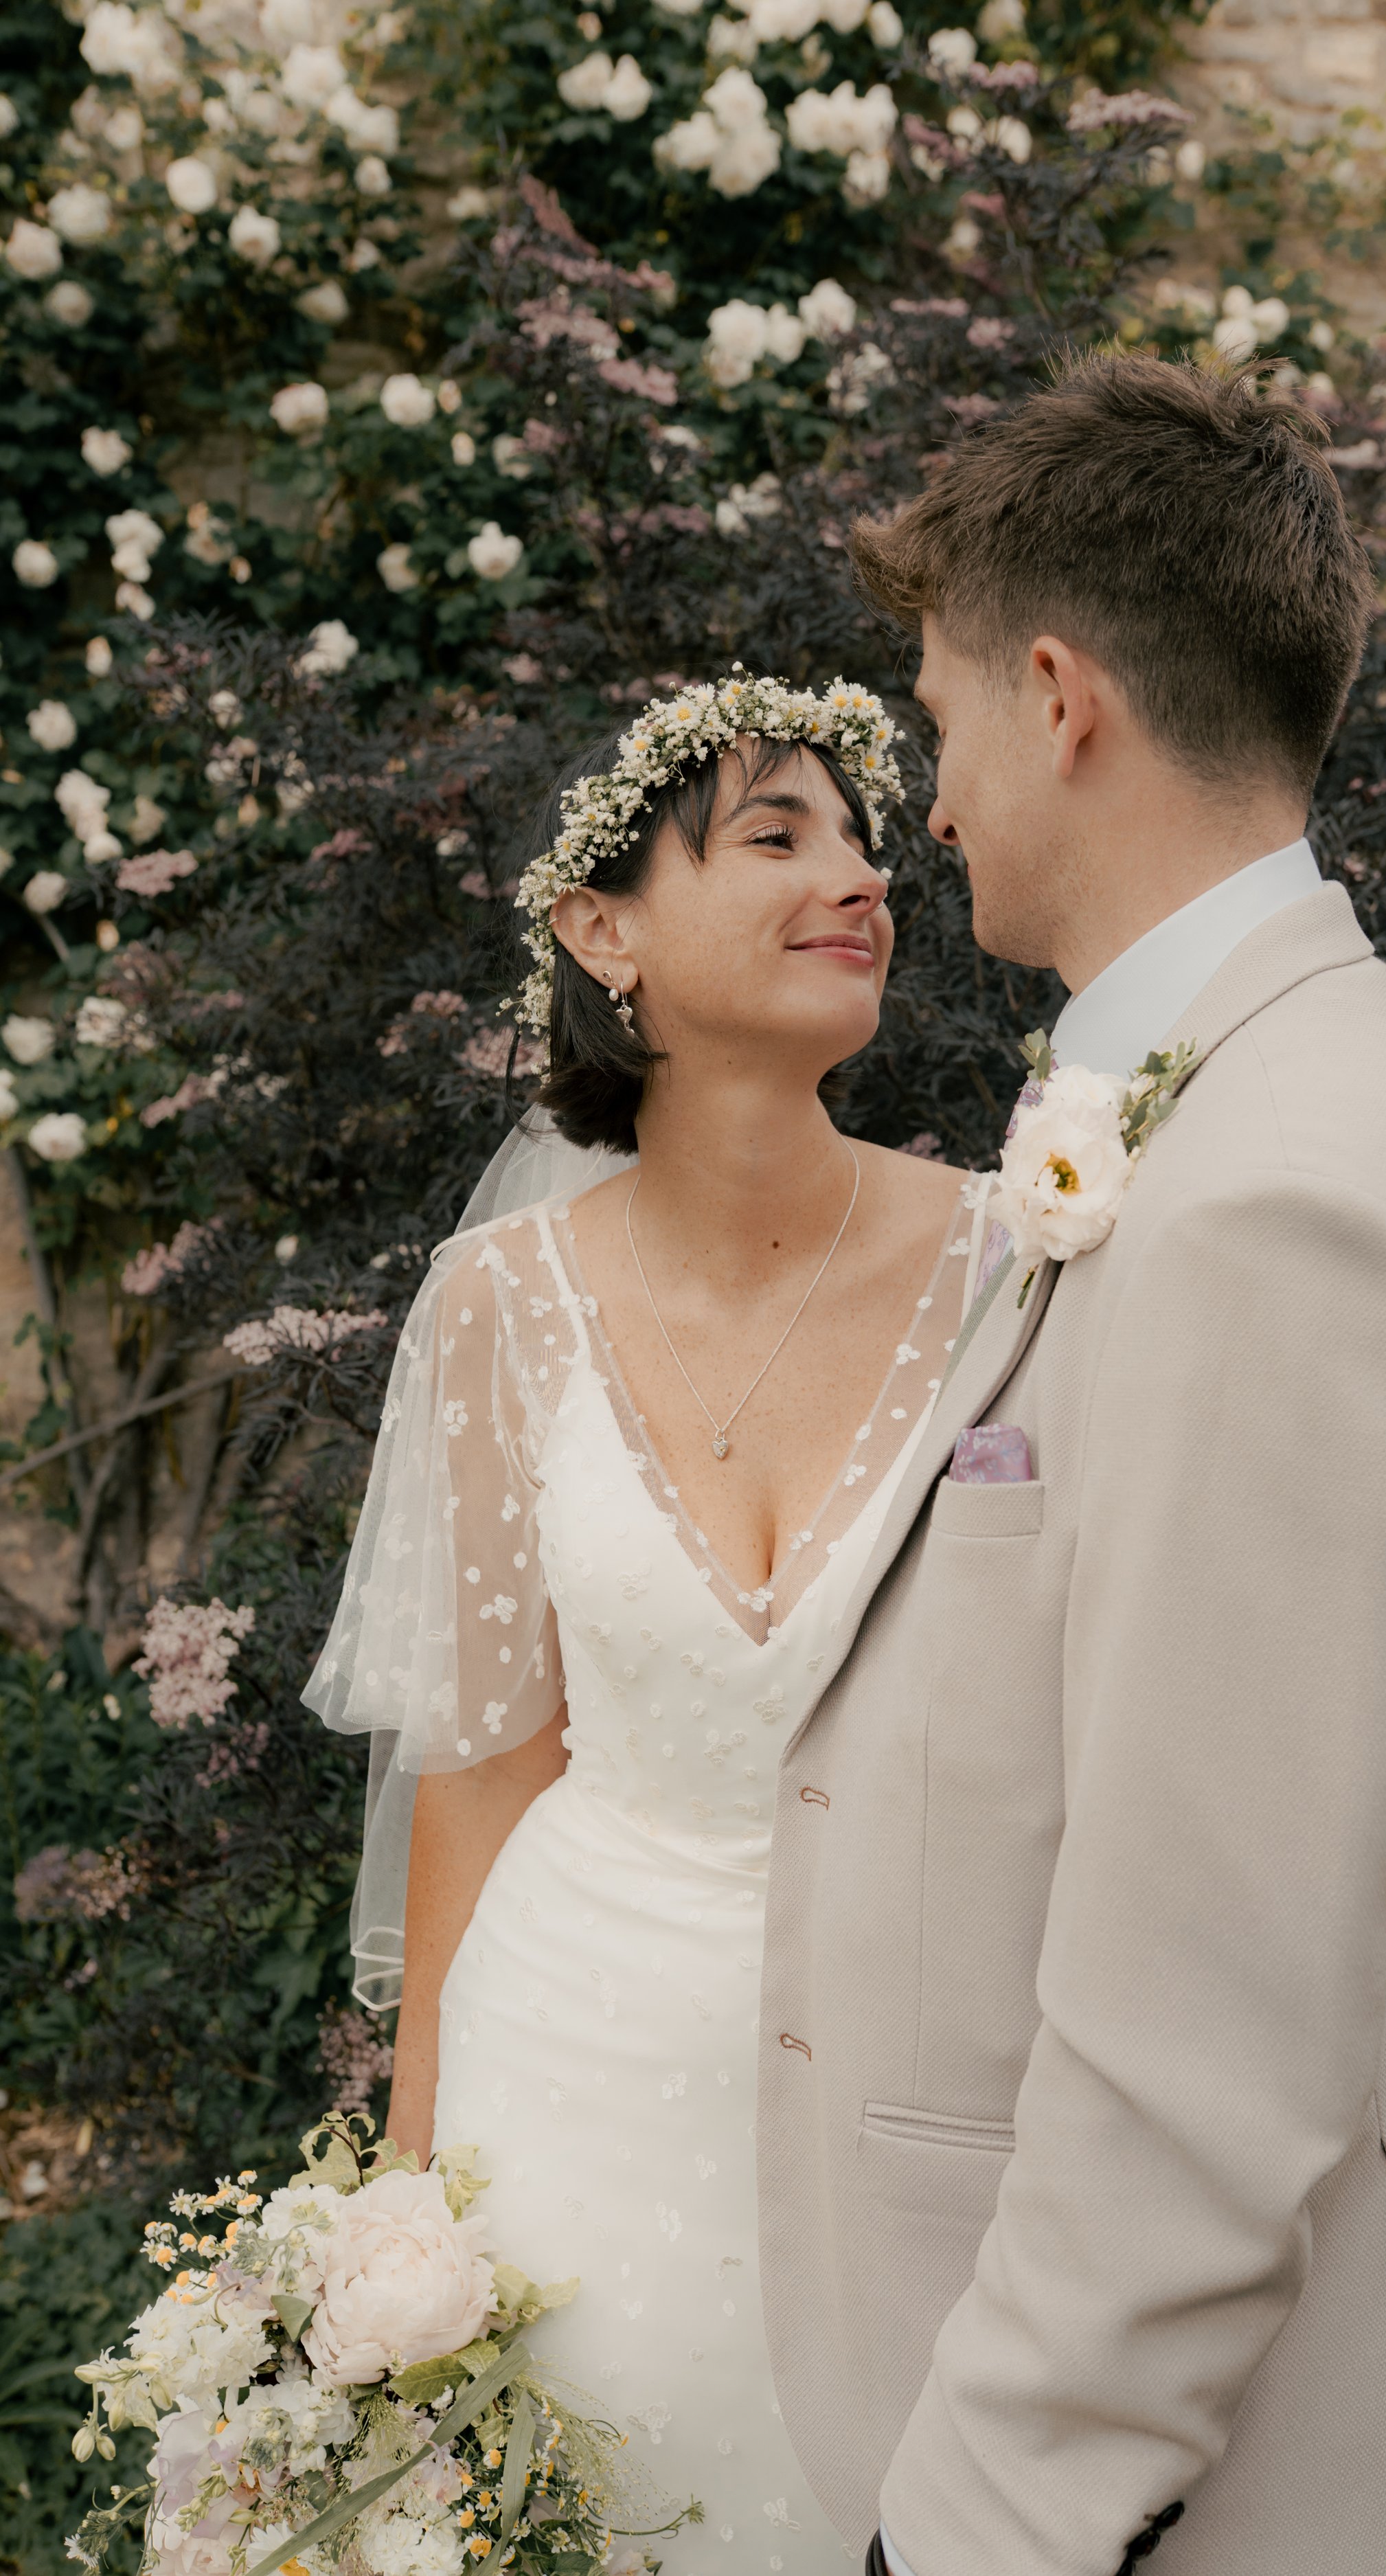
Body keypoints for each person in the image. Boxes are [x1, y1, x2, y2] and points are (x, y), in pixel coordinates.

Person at [749, 354, 1386, 2576]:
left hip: (1163, 2483)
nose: (922, 807)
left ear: (1054, 696)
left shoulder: (1281, 1187)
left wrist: (1002, 2514)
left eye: (931, 725)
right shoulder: (1215, 1092)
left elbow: (1210, 2005)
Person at [306, 673, 974, 2570]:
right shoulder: (498, 1306)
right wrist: (412, 2211)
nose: (857, 876)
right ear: (604, 931)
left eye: (862, 842)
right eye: (776, 834)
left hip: (915, 2102)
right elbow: (485, 1763)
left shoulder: (1024, 1264)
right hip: (570, 2081)